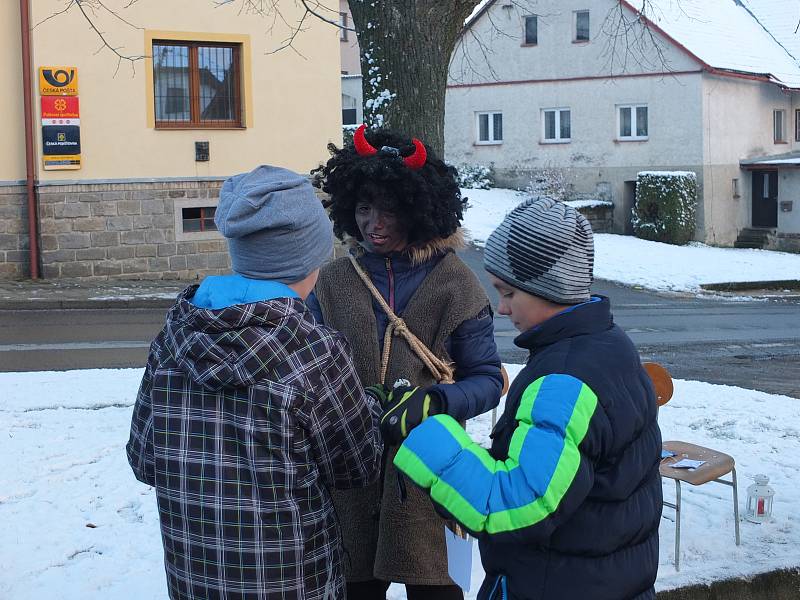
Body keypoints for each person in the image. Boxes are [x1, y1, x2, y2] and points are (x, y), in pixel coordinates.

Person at [126, 165, 384, 600]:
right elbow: (356, 466)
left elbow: (143, 460)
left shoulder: (174, 339)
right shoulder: (314, 352)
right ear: (310, 256)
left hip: (196, 580)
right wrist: (373, 406)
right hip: (294, 581)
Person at [394, 197, 663, 600]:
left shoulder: (564, 381)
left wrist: (423, 433)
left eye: (508, 293)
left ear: (547, 287)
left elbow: (512, 503)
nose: (501, 308)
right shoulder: (607, 343)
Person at [307, 125, 504, 600]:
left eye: (389, 211)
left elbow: (488, 379)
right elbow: (307, 374)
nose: (374, 223)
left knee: (434, 590)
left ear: (417, 210)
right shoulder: (330, 283)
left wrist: (434, 401)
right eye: (363, 208)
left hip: (428, 473)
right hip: (350, 474)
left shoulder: (457, 284)